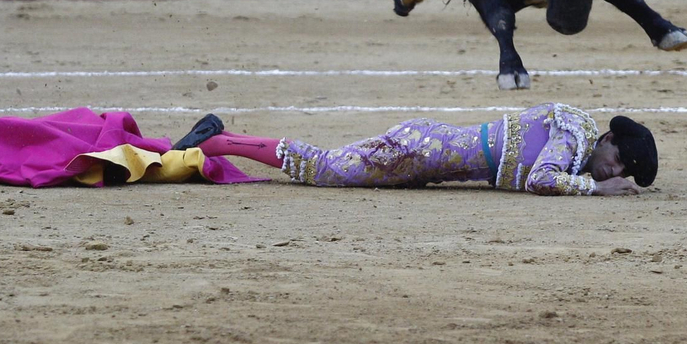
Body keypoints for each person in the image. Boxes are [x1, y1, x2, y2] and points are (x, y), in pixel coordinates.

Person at [168, 103, 656, 196]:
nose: (615, 170)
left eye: (623, 171)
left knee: (325, 165)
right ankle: (216, 140)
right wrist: (597, 190)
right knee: (322, 170)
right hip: (422, 151)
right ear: (608, 139)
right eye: (620, 161)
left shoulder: (574, 138)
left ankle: (218, 140)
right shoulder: (574, 132)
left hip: (429, 152)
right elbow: (541, 179)